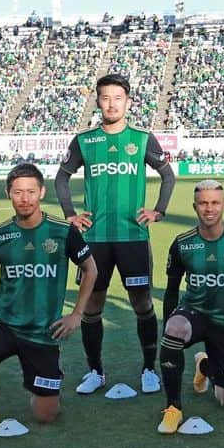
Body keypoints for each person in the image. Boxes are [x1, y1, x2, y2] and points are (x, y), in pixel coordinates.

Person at [0, 163, 97, 440]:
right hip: (5, 327)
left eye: (31, 191)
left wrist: (77, 314)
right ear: (8, 194)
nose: (25, 198)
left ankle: (41, 385)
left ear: (42, 192)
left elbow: (91, 269)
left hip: (43, 333)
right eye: (18, 192)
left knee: (46, 415)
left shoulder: (63, 231)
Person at [55, 73, 176, 396]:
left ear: (128, 102)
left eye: (117, 98)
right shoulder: (85, 141)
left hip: (133, 238)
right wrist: (70, 214)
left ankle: (149, 369)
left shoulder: (142, 138)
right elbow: (61, 178)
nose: (111, 103)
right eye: (105, 97)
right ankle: (96, 371)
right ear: (97, 101)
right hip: (94, 240)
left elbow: (167, 175)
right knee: (93, 306)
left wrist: (158, 211)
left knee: (141, 303)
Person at [157, 180, 224, 434]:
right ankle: (173, 408)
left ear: (223, 205)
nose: (209, 208)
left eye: (215, 202)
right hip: (193, 315)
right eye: (204, 203)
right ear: (194, 206)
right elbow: (172, 291)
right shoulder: (182, 244)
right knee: (175, 327)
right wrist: (167, 329)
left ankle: (204, 366)